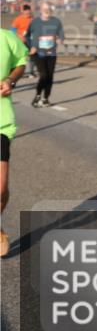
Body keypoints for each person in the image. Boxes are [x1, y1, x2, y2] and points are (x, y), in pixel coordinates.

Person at [1, 29, 28, 256]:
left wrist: (10, 79)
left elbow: (21, 61)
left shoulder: (6, 37)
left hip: (0, 122)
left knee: (0, 188)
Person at [26, 2, 64, 108]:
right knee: (44, 75)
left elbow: (61, 31)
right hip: (39, 52)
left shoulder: (56, 21)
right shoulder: (35, 22)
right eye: (44, 9)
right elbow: (27, 35)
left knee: (50, 77)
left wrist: (61, 38)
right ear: (41, 10)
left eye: (48, 9)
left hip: (51, 53)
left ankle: (46, 98)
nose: (47, 11)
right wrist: (31, 46)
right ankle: (38, 96)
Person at [10, 3, 36, 78]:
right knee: (22, 57)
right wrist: (19, 36)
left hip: (30, 40)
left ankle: (31, 72)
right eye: (27, 12)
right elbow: (12, 30)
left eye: (29, 12)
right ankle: (18, 72)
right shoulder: (18, 19)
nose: (28, 13)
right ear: (23, 12)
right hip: (20, 41)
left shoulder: (32, 19)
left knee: (32, 55)